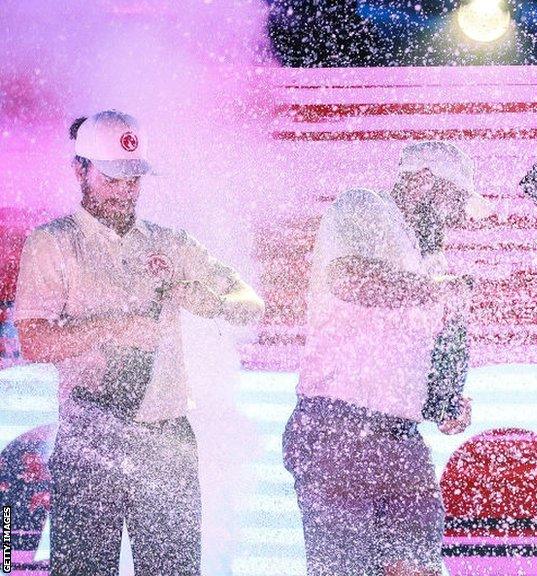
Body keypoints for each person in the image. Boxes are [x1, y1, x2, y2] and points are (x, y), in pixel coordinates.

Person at [13, 109, 265, 575]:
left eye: (135, 178)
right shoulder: (54, 242)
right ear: (80, 169)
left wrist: (209, 301)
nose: (127, 189)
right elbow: (33, 342)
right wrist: (111, 327)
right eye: (114, 177)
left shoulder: (170, 242)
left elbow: (249, 301)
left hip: (167, 436)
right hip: (91, 433)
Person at [283, 140, 492, 576]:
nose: (454, 216)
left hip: (401, 436)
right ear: (423, 181)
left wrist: (444, 402)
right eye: (452, 200)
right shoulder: (364, 207)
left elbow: (415, 351)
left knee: (419, 567)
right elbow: (348, 278)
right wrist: (434, 292)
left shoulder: (428, 258)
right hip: (336, 428)